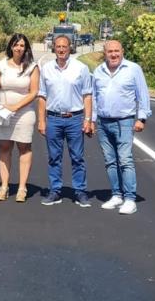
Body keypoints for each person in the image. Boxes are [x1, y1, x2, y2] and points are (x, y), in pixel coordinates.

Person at [92, 39, 151, 215]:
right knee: (110, 161)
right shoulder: (98, 71)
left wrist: (142, 118)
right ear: (105, 53)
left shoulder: (133, 69)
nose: (114, 54)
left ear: (122, 51)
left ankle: (130, 199)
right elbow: (94, 97)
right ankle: (116, 195)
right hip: (103, 122)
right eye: (110, 51)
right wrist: (92, 120)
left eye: (117, 51)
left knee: (125, 160)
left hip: (124, 121)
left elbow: (143, 94)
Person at [37, 34, 94, 208]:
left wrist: (88, 119)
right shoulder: (46, 69)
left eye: (64, 46)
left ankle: (80, 192)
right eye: (58, 46)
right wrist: (41, 120)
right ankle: (55, 191)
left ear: (70, 48)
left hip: (75, 119)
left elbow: (87, 95)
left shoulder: (81, 68)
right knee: (54, 157)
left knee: (77, 157)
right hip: (53, 118)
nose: (61, 49)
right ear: (54, 48)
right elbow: (41, 96)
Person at [0, 33, 40, 202]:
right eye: (16, 45)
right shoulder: (1, 65)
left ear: (26, 47)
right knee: (4, 148)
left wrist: (15, 107)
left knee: (24, 148)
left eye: (22, 45)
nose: (19, 48)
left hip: (24, 113)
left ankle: (22, 188)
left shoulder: (32, 67)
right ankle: (4, 186)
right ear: (11, 47)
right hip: (4, 112)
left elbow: (34, 92)